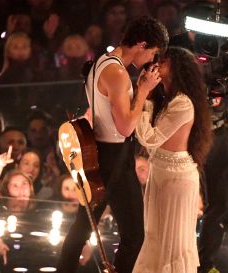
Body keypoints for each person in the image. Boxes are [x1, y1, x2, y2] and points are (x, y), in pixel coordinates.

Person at [57, 15, 169, 273]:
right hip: (114, 155)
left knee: (83, 226)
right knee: (134, 235)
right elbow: (125, 126)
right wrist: (143, 89)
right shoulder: (117, 73)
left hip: (98, 151)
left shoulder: (100, 63)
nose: (152, 60)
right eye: (152, 52)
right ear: (141, 44)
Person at [170, 1, 228, 273]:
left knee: (221, 202)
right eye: (195, 31)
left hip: (218, 132)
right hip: (181, 134)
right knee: (182, 199)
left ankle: (205, 263)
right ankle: (176, 259)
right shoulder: (173, 49)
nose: (202, 38)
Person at [132, 46, 213, 273]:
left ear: (178, 69)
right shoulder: (166, 99)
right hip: (160, 172)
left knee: (173, 244)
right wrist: (146, 96)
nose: (156, 66)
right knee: (155, 236)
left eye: (163, 62)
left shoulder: (183, 103)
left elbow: (150, 138)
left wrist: (141, 95)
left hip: (176, 178)